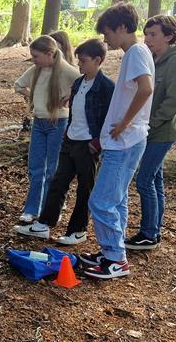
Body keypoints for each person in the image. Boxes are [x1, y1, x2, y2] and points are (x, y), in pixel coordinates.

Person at [14, 38, 115, 245]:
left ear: (98, 60)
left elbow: (108, 116)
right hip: (70, 139)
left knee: (84, 187)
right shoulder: (79, 82)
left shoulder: (106, 86)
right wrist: (67, 132)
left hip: (88, 143)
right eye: (78, 61)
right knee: (58, 181)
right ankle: (44, 223)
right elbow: (74, 111)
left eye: (83, 61)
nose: (79, 65)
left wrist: (97, 142)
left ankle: (78, 229)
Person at [80, 2, 154, 279]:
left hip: (125, 142)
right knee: (117, 198)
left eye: (107, 32)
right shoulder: (138, 52)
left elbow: (146, 89)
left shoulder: (135, 52)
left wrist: (124, 123)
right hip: (126, 141)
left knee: (100, 201)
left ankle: (116, 259)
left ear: (122, 27)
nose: (105, 39)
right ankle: (112, 250)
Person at [126, 15, 176, 250]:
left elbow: (174, 101)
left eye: (153, 34)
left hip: (161, 132)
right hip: (149, 129)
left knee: (144, 179)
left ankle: (149, 233)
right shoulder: (153, 59)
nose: (147, 39)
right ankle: (154, 230)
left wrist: (150, 122)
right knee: (155, 179)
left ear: (169, 36)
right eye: (146, 34)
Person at [14, 35, 80, 223]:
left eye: (36, 56)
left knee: (53, 168)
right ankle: (32, 208)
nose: (33, 59)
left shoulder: (66, 70)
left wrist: (68, 96)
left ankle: (50, 208)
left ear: (49, 54)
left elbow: (82, 83)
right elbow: (18, 85)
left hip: (57, 124)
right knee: (35, 168)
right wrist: (33, 96)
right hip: (39, 123)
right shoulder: (35, 70)